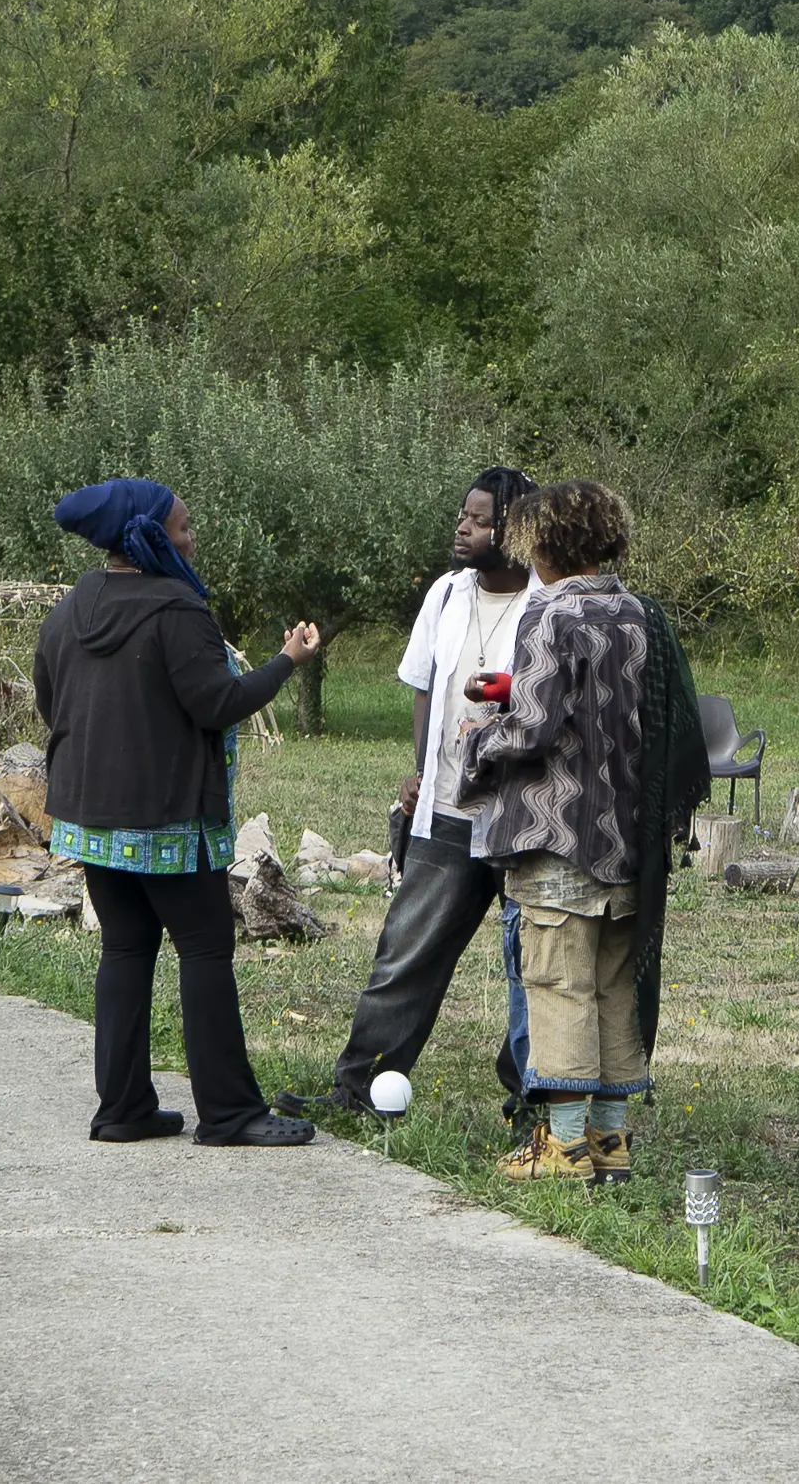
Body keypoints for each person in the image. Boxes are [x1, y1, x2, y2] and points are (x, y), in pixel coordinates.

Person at [33, 477, 321, 1146]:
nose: (192, 537)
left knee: (126, 948)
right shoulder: (178, 610)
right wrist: (288, 659)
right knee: (204, 949)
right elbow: (216, 703)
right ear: (149, 535)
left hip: (92, 818)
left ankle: (124, 1109)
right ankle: (229, 1113)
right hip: (166, 819)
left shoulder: (72, 606)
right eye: (183, 527)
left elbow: (55, 704)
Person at [457, 480, 710, 1185]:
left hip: (559, 833)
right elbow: (617, 705)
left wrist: (478, 737)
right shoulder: (640, 614)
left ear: (542, 544)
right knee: (611, 987)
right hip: (631, 839)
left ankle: (563, 1149)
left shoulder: (550, 614)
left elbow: (535, 729)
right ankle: (610, 1142)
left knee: (558, 982)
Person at [304, 469, 540, 1117]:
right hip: (446, 809)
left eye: (481, 519)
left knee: (533, 970)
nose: (464, 527)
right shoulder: (445, 595)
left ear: (515, 528)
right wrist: (418, 770)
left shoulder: (551, 601)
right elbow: (423, 684)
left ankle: (536, 1102)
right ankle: (359, 1089)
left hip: (525, 819)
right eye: (462, 515)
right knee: (404, 955)